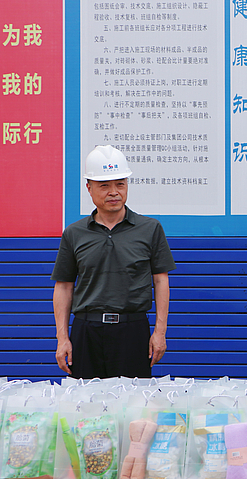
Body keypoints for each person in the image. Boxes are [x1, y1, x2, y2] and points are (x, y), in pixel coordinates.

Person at [51, 145, 176, 379]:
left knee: (133, 400)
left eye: (120, 184)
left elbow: (161, 281)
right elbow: (64, 286)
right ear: (89, 188)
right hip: (86, 331)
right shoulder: (74, 233)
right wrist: (62, 338)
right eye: (104, 185)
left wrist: (160, 332)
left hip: (133, 330)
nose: (114, 192)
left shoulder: (150, 229)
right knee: (85, 400)